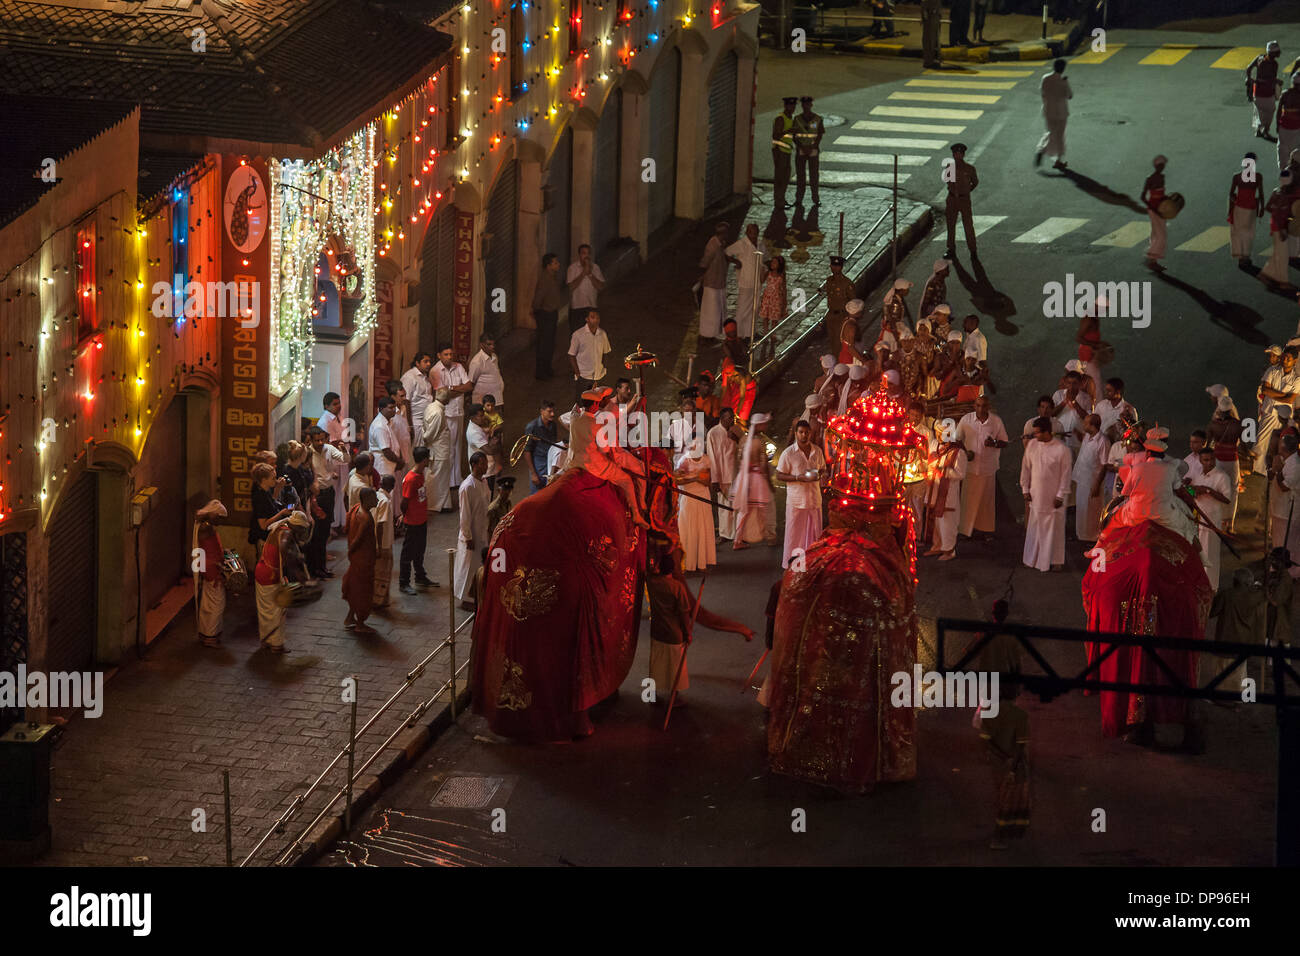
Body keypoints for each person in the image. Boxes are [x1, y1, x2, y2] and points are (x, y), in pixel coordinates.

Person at [646, 548, 754, 706]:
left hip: (657, 632)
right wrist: (688, 632)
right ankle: (674, 697)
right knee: (676, 668)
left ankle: (650, 694)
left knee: (656, 664)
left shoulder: (652, 582)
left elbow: (647, 571)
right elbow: (684, 613)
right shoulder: (677, 587)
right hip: (674, 635)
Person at [565, 388, 649, 527]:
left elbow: (571, 414)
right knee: (627, 479)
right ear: (595, 404)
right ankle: (637, 512)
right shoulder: (597, 424)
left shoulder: (574, 417)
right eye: (600, 400)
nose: (605, 401)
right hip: (594, 463)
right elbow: (605, 449)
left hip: (573, 459)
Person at [253, 511, 313, 654]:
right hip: (270, 575)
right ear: (296, 526)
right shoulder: (286, 534)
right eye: (302, 529)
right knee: (277, 610)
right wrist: (302, 579)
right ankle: (276, 645)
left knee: (266, 610)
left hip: (262, 571)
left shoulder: (280, 529)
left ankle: (266, 641)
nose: (302, 532)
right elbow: (288, 557)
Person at [1020, 417, 1073, 572]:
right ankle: (1033, 559)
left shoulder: (1062, 449)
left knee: (1055, 528)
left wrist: (1060, 495)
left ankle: (1055, 561)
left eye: (1037, 433)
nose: (1035, 436)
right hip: (1036, 495)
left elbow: (1065, 475)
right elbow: (1026, 468)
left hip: (1054, 498)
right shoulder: (1032, 446)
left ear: (1047, 431)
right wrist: (1025, 489)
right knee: (1035, 527)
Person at [776, 419, 826, 569]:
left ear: (810, 433)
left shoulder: (817, 451)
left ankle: (811, 563)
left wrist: (818, 474)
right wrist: (798, 478)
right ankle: (792, 564)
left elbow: (822, 468)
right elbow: (779, 475)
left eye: (806, 432)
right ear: (796, 433)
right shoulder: (789, 453)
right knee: (794, 534)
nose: (804, 435)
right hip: (796, 500)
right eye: (801, 432)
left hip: (814, 498)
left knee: (814, 533)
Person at [957, 395, 1009, 539]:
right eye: (978, 406)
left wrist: (994, 444)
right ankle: (965, 531)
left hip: (987, 468)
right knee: (968, 500)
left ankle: (985, 531)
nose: (981, 409)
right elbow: (957, 439)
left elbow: (1004, 442)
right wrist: (966, 452)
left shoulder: (996, 421)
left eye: (984, 406)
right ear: (974, 406)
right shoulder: (966, 420)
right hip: (970, 468)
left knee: (986, 502)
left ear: (988, 407)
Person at [731, 412, 777, 548]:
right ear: (759, 425)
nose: (766, 425)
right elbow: (763, 465)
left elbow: (739, 459)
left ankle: (737, 540)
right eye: (764, 423)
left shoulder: (743, 440)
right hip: (757, 479)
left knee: (744, 511)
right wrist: (769, 482)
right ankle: (770, 536)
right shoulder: (759, 441)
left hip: (743, 478)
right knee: (766, 508)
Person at [398, 446, 437, 594]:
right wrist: (405, 516)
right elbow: (404, 501)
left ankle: (420, 576)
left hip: (421, 520)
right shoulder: (411, 479)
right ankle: (404, 583)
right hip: (412, 522)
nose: (429, 460)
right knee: (407, 554)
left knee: (420, 550)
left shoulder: (420, 475)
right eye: (428, 458)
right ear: (424, 460)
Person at [455, 451, 491, 610]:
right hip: (471, 533)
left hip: (482, 529)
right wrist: (467, 536)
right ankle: (466, 600)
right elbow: (465, 514)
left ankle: (477, 595)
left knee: (479, 565)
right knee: (468, 566)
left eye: (486, 463)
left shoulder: (483, 483)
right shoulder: (467, 487)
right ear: (474, 465)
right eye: (483, 463)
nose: (486, 466)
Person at [1192, 449, 1232, 592]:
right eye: (1205, 460)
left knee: (1210, 556)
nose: (1209, 463)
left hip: (1211, 522)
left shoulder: (1221, 477)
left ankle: (1211, 587)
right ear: (1200, 461)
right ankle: (1200, 583)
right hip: (1198, 521)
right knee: (1199, 554)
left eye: (1211, 460)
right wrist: (1192, 490)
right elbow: (1193, 492)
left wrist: (1208, 490)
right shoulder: (1197, 474)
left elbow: (1227, 499)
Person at [431, 346, 472, 486]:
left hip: (458, 411)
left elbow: (468, 386)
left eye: (451, 354)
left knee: (457, 445)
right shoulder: (435, 371)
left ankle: (456, 478)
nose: (449, 357)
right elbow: (442, 394)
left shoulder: (458, 366)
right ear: (439, 355)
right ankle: (447, 480)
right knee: (447, 447)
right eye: (446, 354)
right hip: (446, 413)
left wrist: (452, 388)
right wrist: (458, 389)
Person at [1256, 345, 1300, 474]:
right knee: (1261, 441)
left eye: (1288, 359)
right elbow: (1265, 390)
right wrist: (1283, 395)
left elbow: (1290, 400)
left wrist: (1274, 393)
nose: (1284, 360)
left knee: (1278, 445)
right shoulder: (1272, 371)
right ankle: (1257, 469)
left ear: (1295, 361)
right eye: (1284, 358)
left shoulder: (1297, 380)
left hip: (1284, 417)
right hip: (1269, 412)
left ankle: (1272, 470)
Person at [675, 437, 716, 572]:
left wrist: (697, 478)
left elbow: (707, 481)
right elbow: (677, 481)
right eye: (693, 446)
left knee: (702, 526)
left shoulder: (706, 459)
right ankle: (688, 561)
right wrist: (696, 477)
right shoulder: (684, 461)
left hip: (703, 495)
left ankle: (702, 560)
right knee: (688, 527)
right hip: (689, 496)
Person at [342, 488, 379, 636]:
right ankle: (360, 623)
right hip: (363, 559)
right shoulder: (366, 517)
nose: (376, 500)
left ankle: (350, 617)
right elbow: (358, 539)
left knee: (354, 588)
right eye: (374, 498)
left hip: (357, 558)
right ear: (367, 499)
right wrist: (351, 550)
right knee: (363, 590)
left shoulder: (356, 508)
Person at [193, 500, 227, 648]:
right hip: (212, 567)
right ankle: (210, 636)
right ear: (213, 514)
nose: (221, 521)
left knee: (208, 601)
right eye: (219, 517)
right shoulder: (207, 528)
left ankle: (205, 633)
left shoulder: (203, 526)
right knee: (217, 603)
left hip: (207, 566)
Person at [1073, 414, 1109, 544]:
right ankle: (1081, 535)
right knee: (1082, 508)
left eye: (1086, 423)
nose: (1083, 425)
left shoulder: (1103, 441)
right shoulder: (1088, 436)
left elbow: (1105, 465)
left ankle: (1092, 538)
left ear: (1093, 426)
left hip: (1092, 481)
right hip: (1082, 478)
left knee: (1092, 511)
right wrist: (1078, 435)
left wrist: (1097, 485)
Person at [316, 392, 350, 529]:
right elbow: (324, 444)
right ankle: (333, 524)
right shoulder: (325, 421)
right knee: (334, 493)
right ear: (326, 406)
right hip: (332, 462)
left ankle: (342, 522)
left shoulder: (339, 418)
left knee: (343, 491)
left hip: (341, 460)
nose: (339, 406)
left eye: (339, 403)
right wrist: (339, 443)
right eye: (335, 404)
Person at [727, 223, 766, 340]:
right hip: (745, 282)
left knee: (755, 308)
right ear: (747, 233)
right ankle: (738, 334)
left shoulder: (760, 245)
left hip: (757, 282)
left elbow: (766, 259)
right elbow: (727, 252)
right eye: (751, 232)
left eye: (755, 232)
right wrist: (737, 262)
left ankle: (750, 333)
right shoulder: (742, 244)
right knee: (742, 309)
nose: (754, 235)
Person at [707, 407, 741, 541]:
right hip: (721, 474)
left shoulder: (737, 431)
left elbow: (744, 449)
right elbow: (712, 457)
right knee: (724, 506)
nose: (732, 420)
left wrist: (738, 439)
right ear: (722, 419)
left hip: (735, 473)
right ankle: (725, 533)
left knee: (736, 505)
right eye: (729, 417)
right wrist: (714, 479)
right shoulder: (713, 433)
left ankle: (737, 533)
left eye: (733, 417)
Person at [1229, 153, 1267, 266]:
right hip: (1251, 208)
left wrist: (1233, 203)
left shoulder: (1236, 177)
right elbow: (1261, 195)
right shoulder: (1258, 177)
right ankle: (1246, 256)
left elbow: (1231, 194)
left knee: (1238, 232)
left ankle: (1240, 257)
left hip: (1238, 208)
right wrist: (1262, 208)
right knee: (1248, 232)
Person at [1260, 170, 1295, 288]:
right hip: (1279, 228)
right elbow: (1275, 212)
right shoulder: (1284, 196)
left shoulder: (1277, 192)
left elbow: (1269, 208)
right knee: (1283, 255)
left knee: (1279, 253)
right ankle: (1283, 282)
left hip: (1276, 226)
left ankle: (1265, 274)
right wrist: (1282, 228)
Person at [532, 253, 565, 378]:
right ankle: (541, 371)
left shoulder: (552, 277)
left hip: (551, 313)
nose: (558, 265)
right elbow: (538, 299)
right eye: (555, 263)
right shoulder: (545, 279)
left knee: (550, 343)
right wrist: (539, 312)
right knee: (544, 344)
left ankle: (547, 368)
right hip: (546, 315)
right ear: (548, 266)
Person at [944, 143, 979, 259]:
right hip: (952, 198)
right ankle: (951, 248)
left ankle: (973, 249)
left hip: (964, 199)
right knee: (950, 224)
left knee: (968, 225)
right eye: (955, 154)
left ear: (963, 155)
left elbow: (975, 182)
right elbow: (947, 181)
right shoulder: (949, 167)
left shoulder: (969, 169)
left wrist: (967, 191)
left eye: (960, 154)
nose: (957, 156)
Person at [421, 387, 455, 511]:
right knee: (440, 479)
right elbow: (430, 434)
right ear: (447, 399)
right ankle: (437, 505)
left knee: (441, 478)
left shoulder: (431, 407)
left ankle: (444, 504)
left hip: (438, 448)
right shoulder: (438, 412)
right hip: (439, 450)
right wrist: (426, 440)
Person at [1035, 58, 1072, 170]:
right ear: (1063, 69)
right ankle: (1058, 160)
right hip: (1061, 112)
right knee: (1060, 136)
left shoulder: (1045, 78)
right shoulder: (1063, 81)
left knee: (1050, 132)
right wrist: (1065, 82)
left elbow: (1043, 92)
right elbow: (1069, 95)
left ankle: (1041, 149)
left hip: (1048, 111)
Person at [697, 221, 731, 341]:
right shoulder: (713, 244)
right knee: (710, 311)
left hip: (718, 282)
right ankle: (706, 336)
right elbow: (705, 262)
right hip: (711, 283)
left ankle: (712, 334)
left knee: (716, 311)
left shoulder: (721, 243)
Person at [567, 308, 612, 397]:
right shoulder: (578, 335)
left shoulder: (602, 334)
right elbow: (571, 355)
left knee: (599, 401)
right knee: (583, 403)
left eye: (597, 318)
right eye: (592, 317)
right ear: (587, 319)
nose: (595, 320)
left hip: (599, 375)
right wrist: (578, 373)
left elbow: (606, 352)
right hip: (584, 376)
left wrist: (604, 368)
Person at [248, 462, 293, 547]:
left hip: (271, 537)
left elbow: (272, 504)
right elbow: (263, 525)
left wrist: (278, 488)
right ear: (264, 480)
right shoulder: (259, 497)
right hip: (264, 540)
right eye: (273, 478)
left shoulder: (266, 490)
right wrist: (282, 513)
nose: (276, 480)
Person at [792, 96, 825, 207]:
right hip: (801, 150)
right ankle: (799, 199)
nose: (806, 106)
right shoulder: (797, 119)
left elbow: (819, 134)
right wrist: (801, 147)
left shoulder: (818, 118)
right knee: (800, 176)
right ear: (802, 106)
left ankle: (815, 198)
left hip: (813, 150)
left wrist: (813, 146)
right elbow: (794, 136)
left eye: (808, 104)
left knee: (814, 176)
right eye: (804, 104)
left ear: (811, 105)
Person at [1247, 41, 1283, 138]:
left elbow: (1248, 68)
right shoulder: (1274, 64)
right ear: (1272, 53)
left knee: (1259, 112)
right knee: (1269, 113)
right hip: (1267, 92)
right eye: (1277, 51)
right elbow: (1270, 79)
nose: (1279, 53)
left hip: (1257, 91)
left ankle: (1258, 130)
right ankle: (1265, 130)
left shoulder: (1259, 58)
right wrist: (1277, 81)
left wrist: (1249, 79)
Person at [566, 243, 605, 332]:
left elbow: (600, 287)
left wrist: (590, 274)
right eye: (584, 253)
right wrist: (583, 273)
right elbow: (571, 286)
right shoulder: (572, 268)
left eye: (588, 253)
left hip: (591, 307)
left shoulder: (595, 268)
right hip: (577, 308)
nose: (586, 256)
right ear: (579, 255)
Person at [524, 399, 560, 494]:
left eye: (553, 411)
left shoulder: (553, 425)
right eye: (549, 411)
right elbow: (527, 451)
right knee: (537, 495)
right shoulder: (532, 427)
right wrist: (533, 473)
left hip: (550, 463)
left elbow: (554, 444)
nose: (552, 414)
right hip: (538, 465)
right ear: (542, 411)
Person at [1140, 155, 1169, 271]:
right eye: (1160, 166)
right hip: (1153, 209)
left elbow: (1161, 194)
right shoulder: (1150, 179)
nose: (1161, 168)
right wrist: (1152, 207)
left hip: (1161, 209)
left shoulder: (1162, 177)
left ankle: (1153, 260)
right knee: (1161, 235)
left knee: (1156, 233)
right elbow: (1143, 197)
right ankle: (1151, 257)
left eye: (1163, 166)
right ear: (1156, 166)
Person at [372, 474, 396, 608]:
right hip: (384, 543)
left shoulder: (377, 496)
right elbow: (380, 525)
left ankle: (380, 599)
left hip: (380, 541)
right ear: (392, 487)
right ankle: (379, 601)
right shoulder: (385, 502)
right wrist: (380, 547)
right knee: (383, 573)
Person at [756, 253, 787, 360]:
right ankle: (765, 332)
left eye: (775, 262)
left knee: (774, 318)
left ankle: (773, 333)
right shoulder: (768, 273)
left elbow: (784, 288)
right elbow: (761, 280)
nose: (773, 264)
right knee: (765, 317)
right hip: (767, 297)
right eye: (772, 262)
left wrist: (784, 301)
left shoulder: (782, 274)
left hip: (777, 298)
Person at [821, 255, 856, 344]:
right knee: (833, 342)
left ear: (841, 267)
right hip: (831, 315)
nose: (835, 268)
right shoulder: (829, 281)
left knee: (840, 342)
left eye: (837, 266)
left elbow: (853, 301)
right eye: (833, 265)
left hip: (842, 316)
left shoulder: (847, 283)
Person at [400, 353, 435, 438]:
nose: (428, 364)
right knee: (414, 449)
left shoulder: (425, 377)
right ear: (417, 363)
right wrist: (410, 425)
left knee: (423, 450)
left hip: (426, 420)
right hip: (415, 421)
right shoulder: (410, 377)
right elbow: (405, 401)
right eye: (425, 361)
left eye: (429, 362)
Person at [368, 395, 403, 480]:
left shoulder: (387, 422)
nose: (394, 410)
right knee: (384, 492)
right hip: (383, 468)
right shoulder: (379, 426)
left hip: (389, 467)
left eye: (394, 407)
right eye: (391, 408)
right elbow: (386, 450)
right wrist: (399, 461)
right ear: (381, 409)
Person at [771, 97, 797, 209]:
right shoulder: (780, 118)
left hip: (787, 151)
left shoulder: (791, 118)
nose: (793, 108)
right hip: (779, 151)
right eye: (790, 106)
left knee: (786, 177)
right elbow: (775, 136)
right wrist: (788, 131)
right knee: (780, 177)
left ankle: (782, 199)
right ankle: (778, 201)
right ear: (786, 106)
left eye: (794, 106)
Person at [468, 333, 505, 408]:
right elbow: (471, 383)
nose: (492, 347)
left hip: (497, 400)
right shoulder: (477, 362)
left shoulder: (494, 357)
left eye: (493, 344)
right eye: (489, 344)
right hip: (482, 404)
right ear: (482, 345)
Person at [1279, 73, 1300, 172]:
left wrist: (1277, 124)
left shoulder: (1285, 93)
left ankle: (1286, 173)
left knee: (1284, 151)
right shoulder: (1286, 94)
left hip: (1285, 127)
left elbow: (1279, 110)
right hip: (1294, 128)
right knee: (1293, 152)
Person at [920, 0, 942, 67]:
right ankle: (928, 61)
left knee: (932, 39)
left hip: (933, 15)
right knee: (929, 40)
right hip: (931, 17)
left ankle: (930, 60)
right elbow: (924, 6)